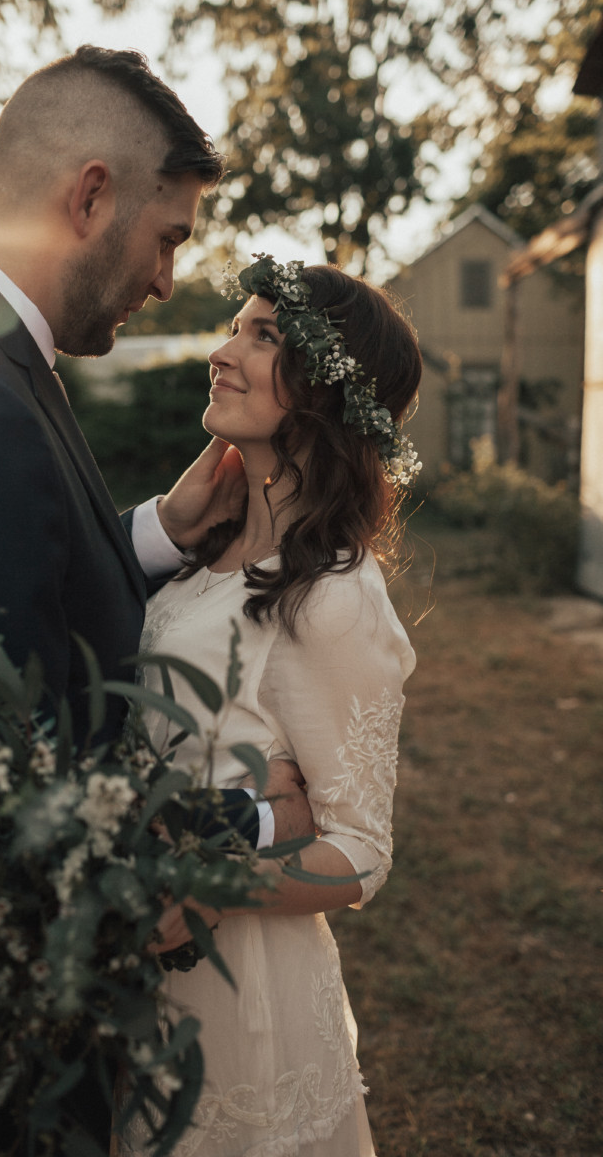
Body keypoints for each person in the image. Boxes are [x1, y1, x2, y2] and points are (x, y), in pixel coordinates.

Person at [0, 51, 313, 1152]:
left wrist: (153, 534)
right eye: (169, 234)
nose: (170, 279)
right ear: (89, 196)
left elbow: (3, 609)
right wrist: (248, 820)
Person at [121, 255, 423, 1157]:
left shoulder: (333, 597)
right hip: (137, 975)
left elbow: (362, 853)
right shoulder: (206, 541)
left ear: (327, 395)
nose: (223, 350)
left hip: (239, 998)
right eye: (236, 326)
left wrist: (212, 879)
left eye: (262, 337)